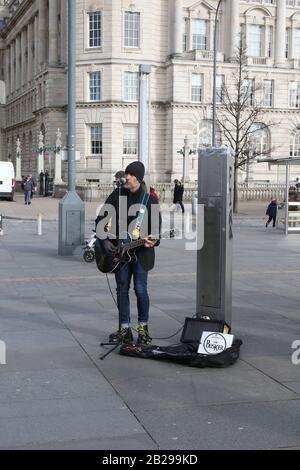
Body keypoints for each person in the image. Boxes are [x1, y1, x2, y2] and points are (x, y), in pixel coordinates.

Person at [96, 161, 161, 345]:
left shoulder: (150, 200)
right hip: (120, 253)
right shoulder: (117, 195)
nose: (126, 177)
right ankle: (124, 329)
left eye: (129, 174)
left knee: (140, 290)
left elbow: (156, 229)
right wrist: (104, 241)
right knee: (121, 290)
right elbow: (101, 219)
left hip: (141, 254)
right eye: (126, 173)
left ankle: (142, 329)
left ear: (137, 178)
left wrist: (153, 240)